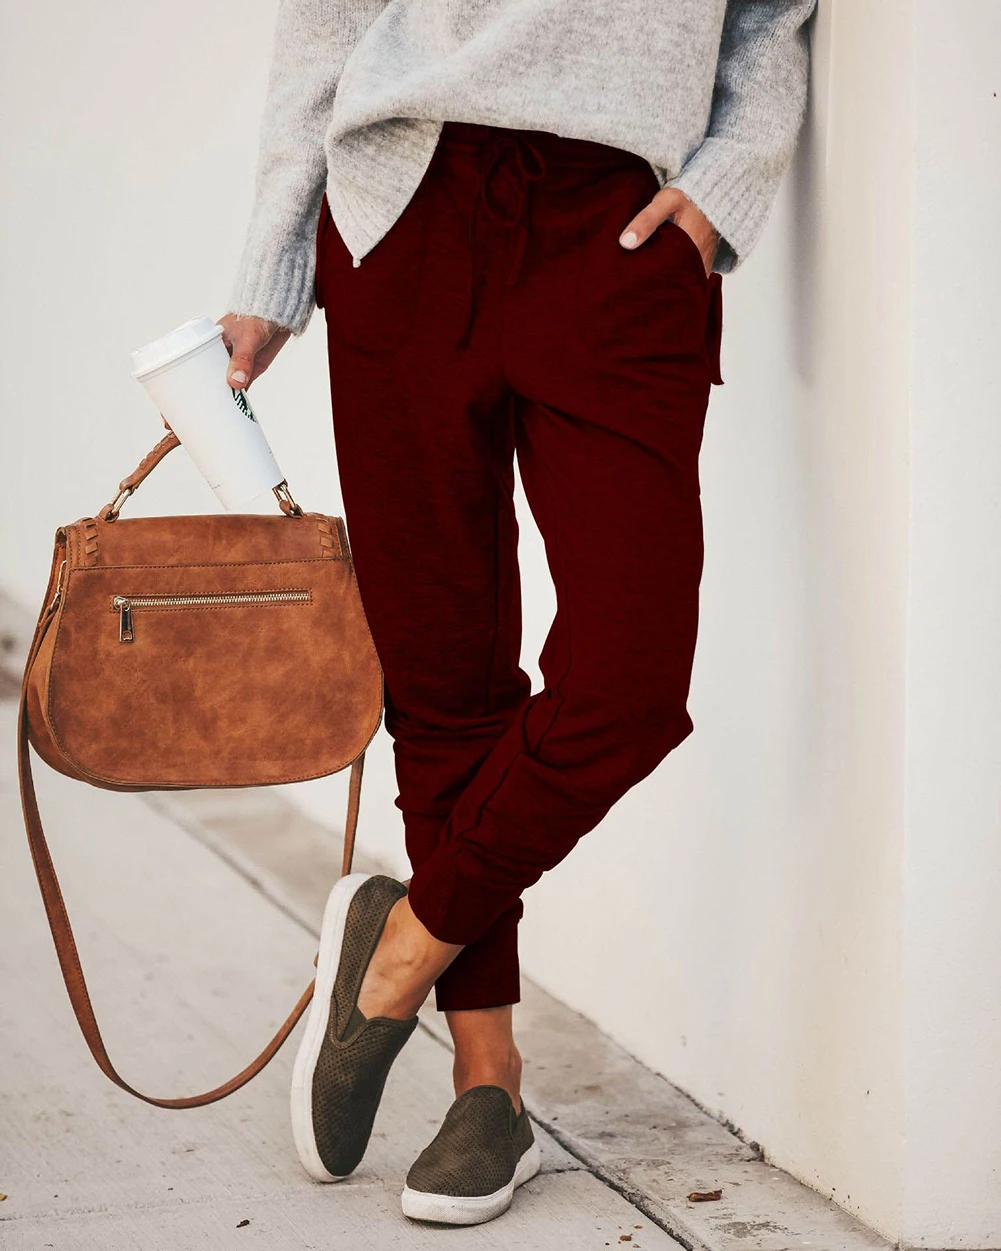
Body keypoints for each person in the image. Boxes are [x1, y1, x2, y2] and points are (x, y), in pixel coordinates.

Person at [219, 0, 815, 1227]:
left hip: (620, 228)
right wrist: (272, 264)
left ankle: (397, 952)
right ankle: (487, 1089)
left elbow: (770, 19)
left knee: (626, 686)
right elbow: (326, 20)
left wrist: (724, 182)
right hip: (402, 207)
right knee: (445, 680)